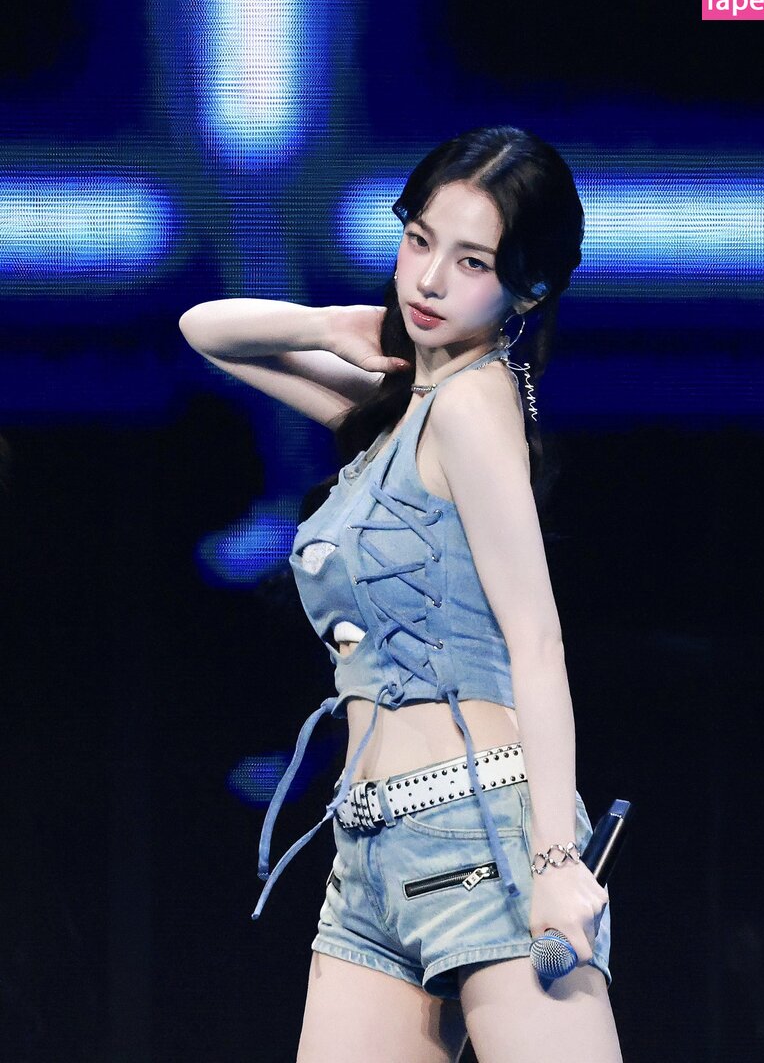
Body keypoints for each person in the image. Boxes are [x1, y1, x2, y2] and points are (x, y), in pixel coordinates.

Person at [179, 125, 623, 1063]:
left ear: (528, 288)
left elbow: (536, 639)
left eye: (472, 262)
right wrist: (326, 326)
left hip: (484, 839)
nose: (428, 280)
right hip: (370, 853)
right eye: (419, 240)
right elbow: (205, 330)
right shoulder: (399, 413)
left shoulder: (470, 406)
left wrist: (554, 860)